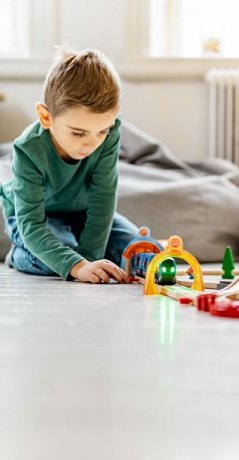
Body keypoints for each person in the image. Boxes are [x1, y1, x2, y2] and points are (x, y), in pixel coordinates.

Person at [0, 47, 138, 283]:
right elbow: (32, 225)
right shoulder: (28, 148)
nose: (91, 144)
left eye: (102, 131)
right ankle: (19, 256)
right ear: (46, 117)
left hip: (80, 211)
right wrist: (78, 265)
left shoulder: (111, 131)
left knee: (137, 247)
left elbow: (103, 198)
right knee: (63, 253)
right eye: (78, 133)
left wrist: (89, 260)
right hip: (38, 218)